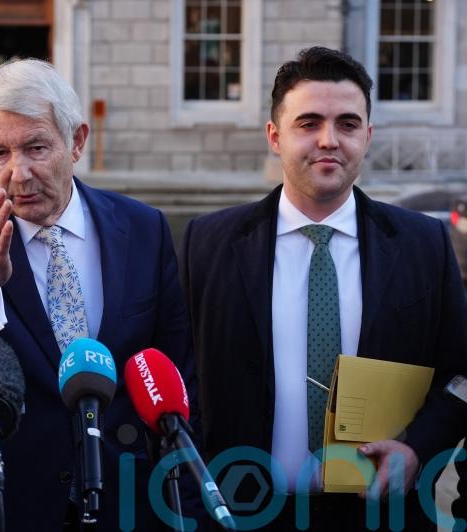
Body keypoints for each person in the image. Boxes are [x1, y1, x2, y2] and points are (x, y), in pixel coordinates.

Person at [179, 46, 467, 531]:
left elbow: (458, 375)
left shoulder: (425, 244)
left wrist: (418, 449)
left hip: (380, 514)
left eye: (348, 124)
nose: (329, 140)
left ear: (368, 136)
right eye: (308, 123)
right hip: (241, 513)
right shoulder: (208, 243)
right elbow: (176, 371)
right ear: (275, 136)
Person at [0, 58, 199, 531]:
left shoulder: (144, 228)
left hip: (126, 501)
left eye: (36, 147)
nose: (18, 173)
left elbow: (178, 377)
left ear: (77, 141)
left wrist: (184, 506)